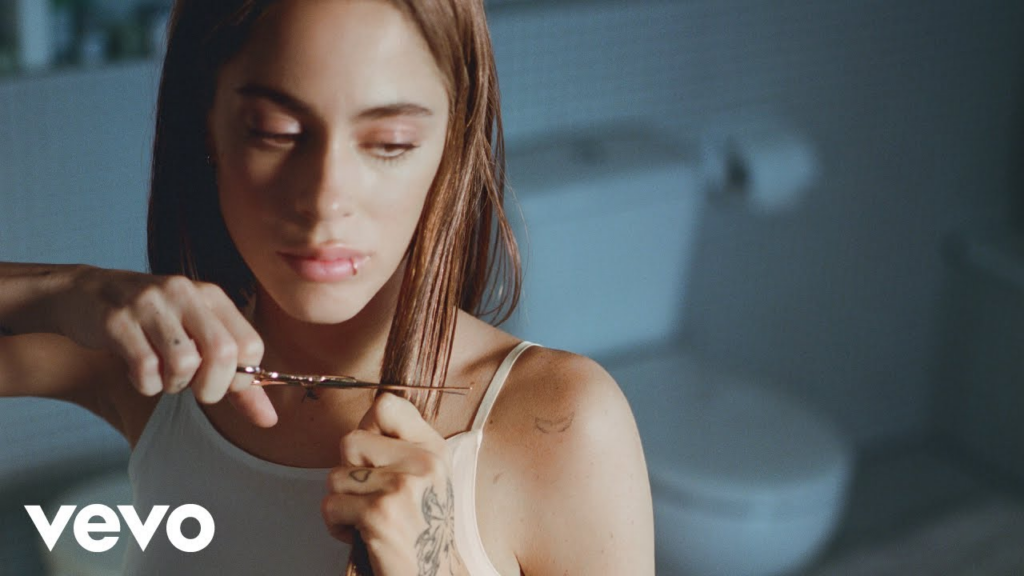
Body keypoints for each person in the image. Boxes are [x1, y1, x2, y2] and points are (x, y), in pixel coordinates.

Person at [0, 0, 655, 574]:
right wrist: (65, 291)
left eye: (390, 143)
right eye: (275, 132)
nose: (324, 201)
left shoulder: (564, 425)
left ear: (451, 147)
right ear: (205, 125)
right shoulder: (163, 366)